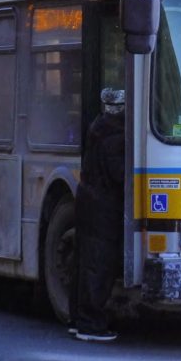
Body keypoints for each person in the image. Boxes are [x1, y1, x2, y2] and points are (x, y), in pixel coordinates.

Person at [70, 87, 126, 342]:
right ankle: (90, 324)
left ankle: (79, 318)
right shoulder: (115, 135)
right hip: (103, 206)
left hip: (89, 201)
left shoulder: (99, 126)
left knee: (85, 262)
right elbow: (119, 174)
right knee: (99, 264)